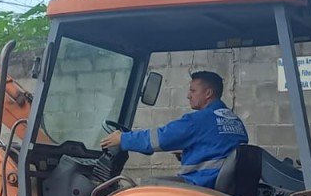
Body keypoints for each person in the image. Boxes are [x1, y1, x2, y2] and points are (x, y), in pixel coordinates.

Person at [98, 70, 248, 188]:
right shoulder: (234, 121)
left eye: (193, 91)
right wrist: (188, 153)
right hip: (221, 184)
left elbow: (160, 138)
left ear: (208, 93)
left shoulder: (199, 120)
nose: (188, 96)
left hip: (202, 183)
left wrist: (122, 139)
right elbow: (220, 150)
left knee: (148, 185)